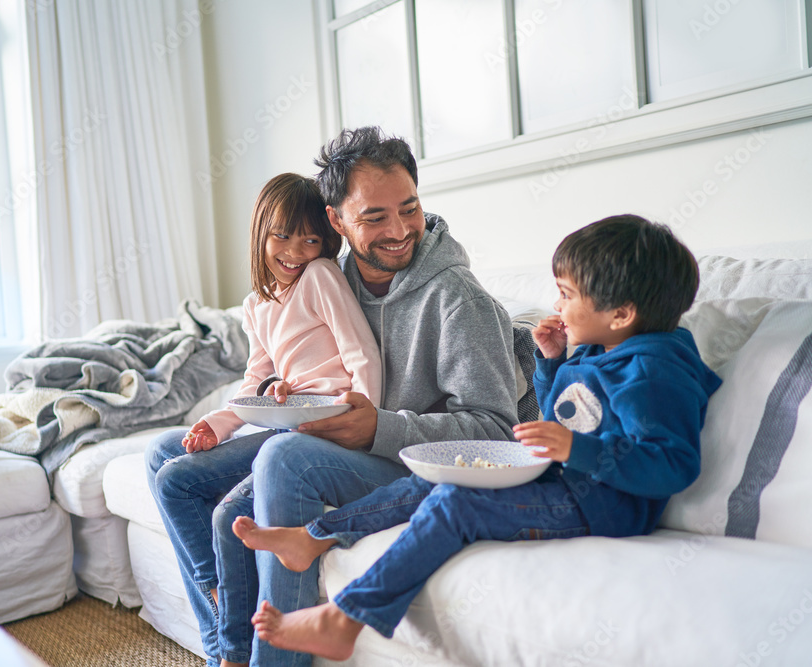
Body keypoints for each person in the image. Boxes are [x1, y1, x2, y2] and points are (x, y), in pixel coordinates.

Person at [237, 214, 723, 662]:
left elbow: (672, 464)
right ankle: (314, 536)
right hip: (563, 481)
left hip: (603, 506)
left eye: (567, 294)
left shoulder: (653, 372)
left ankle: (345, 620)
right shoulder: (604, 347)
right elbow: (571, 413)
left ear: (621, 313)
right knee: (441, 475)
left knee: (456, 504)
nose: (558, 305)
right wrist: (552, 364)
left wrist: (577, 449)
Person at [147, 126, 521, 667]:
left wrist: (380, 427)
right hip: (334, 434)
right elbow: (295, 362)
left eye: (409, 209)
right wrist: (272, 392)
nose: (399, 231)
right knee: (165, 453)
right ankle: (224, 652)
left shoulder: (458, 299)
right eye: (374, 217)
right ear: (336, 221)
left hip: (409, 462)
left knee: (283, 456)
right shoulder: (326, 275)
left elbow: (498, 432)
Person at [145, 172, 382, 667]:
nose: (295, 251)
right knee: (164, 454)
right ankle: (223, 622)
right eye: (282, 236)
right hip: (285, 421)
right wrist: (219, 423)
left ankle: (224, 633)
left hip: (326, 426)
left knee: (182, 486)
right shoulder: (256, 305)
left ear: (325, 243)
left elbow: (361, 353)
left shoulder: (320, 277)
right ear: (260, 234)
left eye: (310, 239)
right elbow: (255, 380)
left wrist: (365, 420)